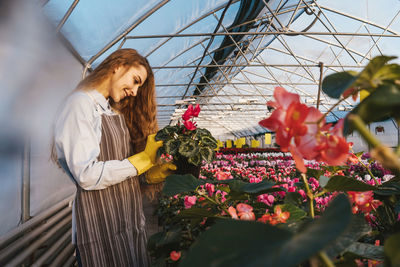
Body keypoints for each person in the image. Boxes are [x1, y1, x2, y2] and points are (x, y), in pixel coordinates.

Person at [52, 48, 176, 266]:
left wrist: (148, 176)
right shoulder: (80, 104)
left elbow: (117, 170)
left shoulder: (110, 110)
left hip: (126, 220)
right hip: (99, 225)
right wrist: (142, 161)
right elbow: (87, 175)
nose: (136, 92)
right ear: (118, 65)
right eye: (136, 80)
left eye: (139, 86)